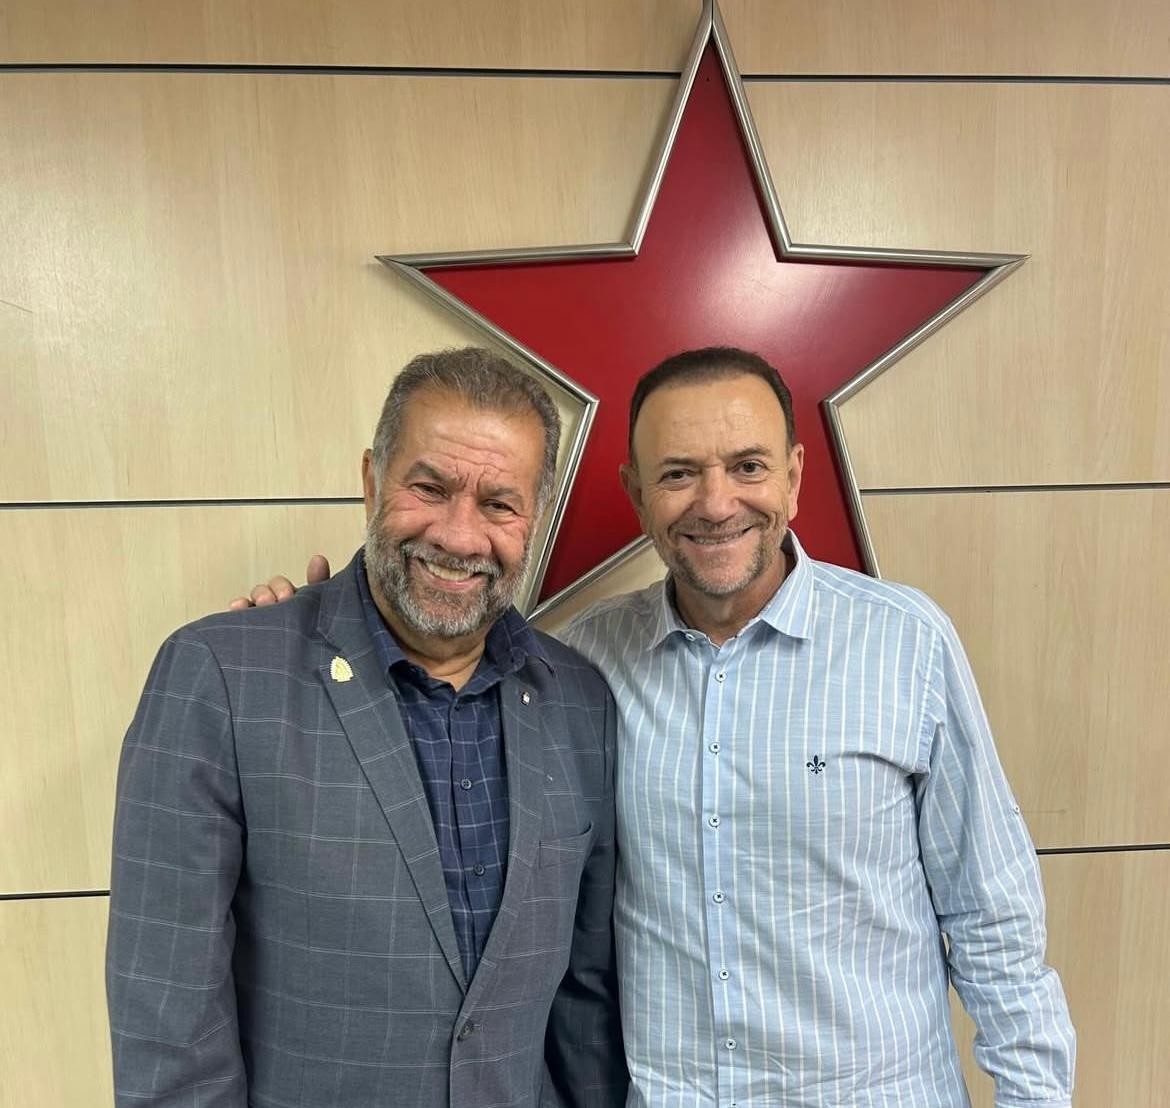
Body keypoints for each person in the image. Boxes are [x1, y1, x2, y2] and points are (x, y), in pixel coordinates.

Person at [240, 346, 1076, 1107]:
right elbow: (435, 704)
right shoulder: (577, 667)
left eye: (747, 466)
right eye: (678, 474)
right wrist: (308, 638)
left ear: (793, 478)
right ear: (638, 495)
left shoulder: (906, 644)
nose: (717, 503)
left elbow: (994, 922)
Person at [107, 347, 627, 1108]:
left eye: (499, 504)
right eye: (430, 487)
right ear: (372, 481)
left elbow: (586, 1001)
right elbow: (167, 1020)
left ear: (534, 518)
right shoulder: (221, 676)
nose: (459, 535)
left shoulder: (580, 701)